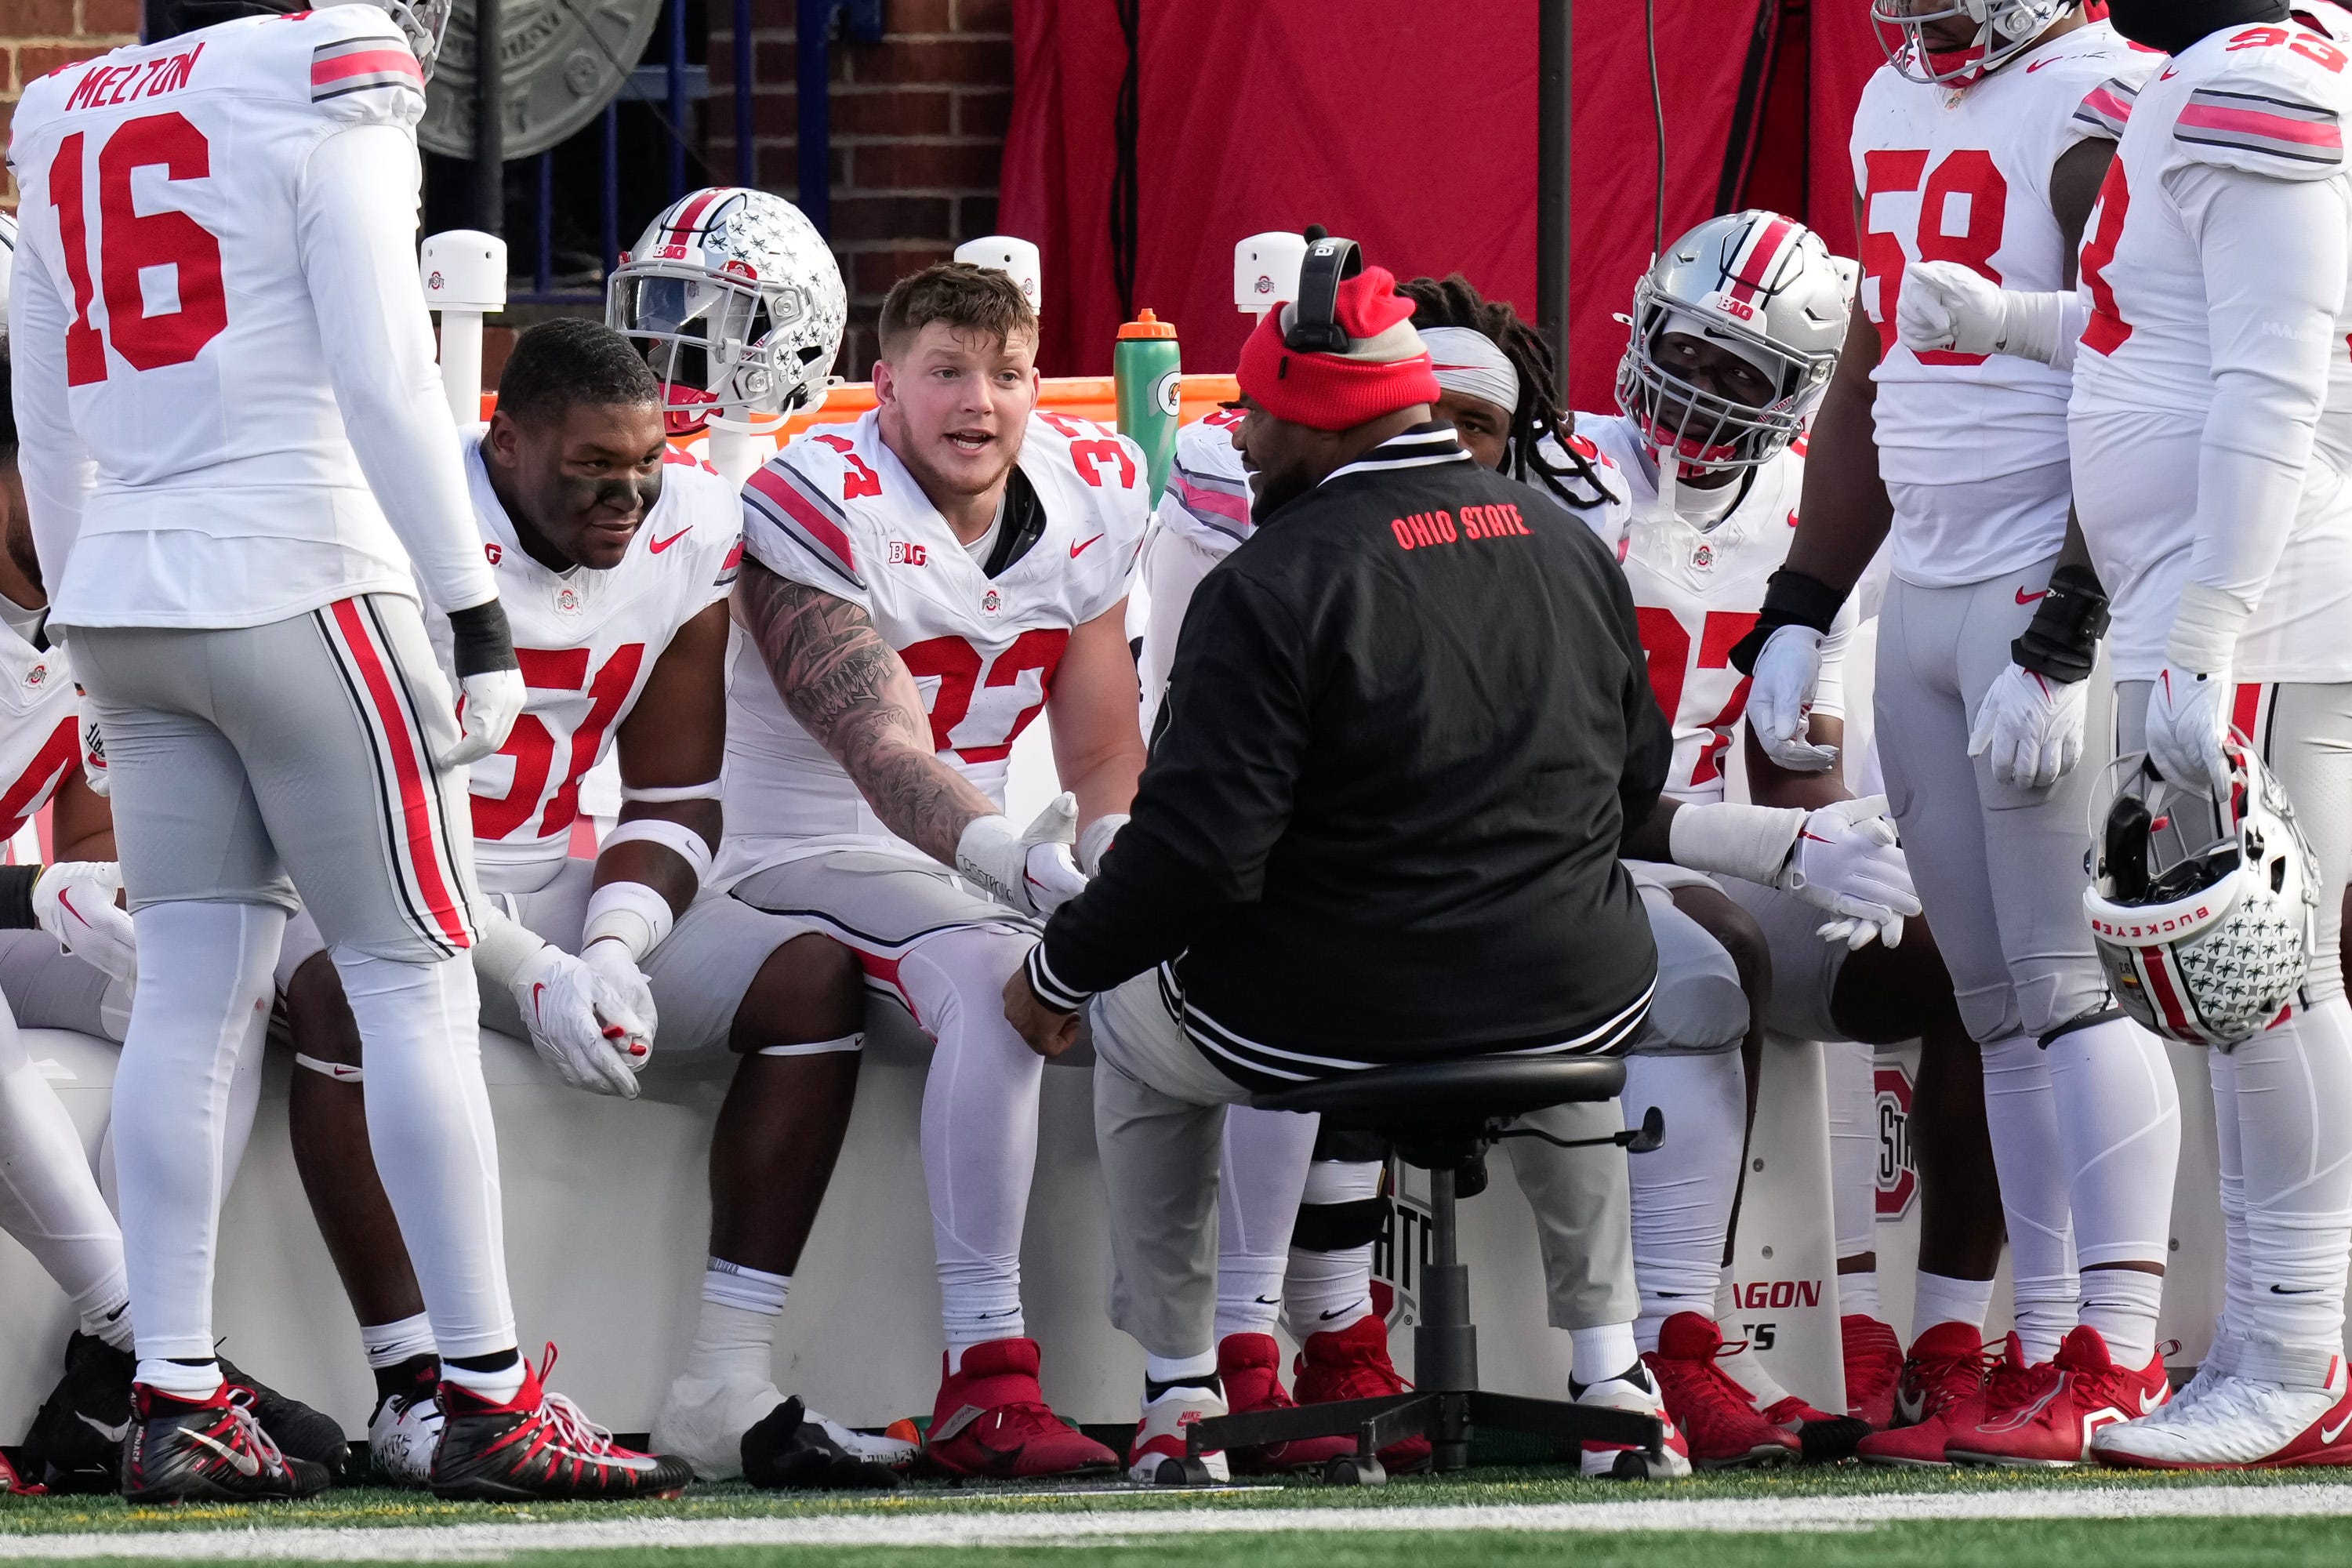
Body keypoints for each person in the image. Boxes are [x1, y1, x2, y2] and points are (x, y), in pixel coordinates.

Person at [1002, 247, 1917, 1483]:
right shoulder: (1567, 543)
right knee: (1564, 1008)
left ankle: (1180, 1388)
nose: (1246, 439)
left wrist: (1057, 971)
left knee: (1133, 1012)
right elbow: (1630, 789)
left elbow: (1201, 857)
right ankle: (1612, 1375)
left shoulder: (1272, 578)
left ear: (1323, 416)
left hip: (1331, 1014)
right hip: (1569, 996)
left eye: (1262, 413)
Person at [6, 0, 683, 1501]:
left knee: (195, 992)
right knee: (417, 981)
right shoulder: (328, 65)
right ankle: (491, 1394)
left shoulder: (61, 106)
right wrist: (473, 614)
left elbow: (45, 405)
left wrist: (78, 596)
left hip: (127, 588)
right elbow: (384, 374)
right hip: (297, 572)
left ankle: (175, 1397)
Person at [272, 320, 904, 1489]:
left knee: (810, 978)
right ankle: (417, 1389)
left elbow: (678, 791)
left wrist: (614, 944)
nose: (626, 497)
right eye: (590, 471)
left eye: (643, 467)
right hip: (359, 877)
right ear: (505, 444)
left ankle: (726, 1379)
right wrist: (533, 973)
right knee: (338, 991)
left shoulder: (693, 523)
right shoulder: (393, 525)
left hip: (542, 882)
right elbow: (370, 826)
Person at [1736, 0, 2180, 1465]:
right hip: (1925, 586)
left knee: (2073, 989)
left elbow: (2151, 375)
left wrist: (2070, 626)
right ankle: (2038, 1338)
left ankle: (2118, 1352)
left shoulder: (2109, 97)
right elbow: (1874, 366)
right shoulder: (1889, 101)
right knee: (1991, 1005)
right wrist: (1802, 598)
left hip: (2049, 587)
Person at [1917, 0, 2352, 1467]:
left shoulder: (2261, 78)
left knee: (2263, 974)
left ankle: (2295, 1357)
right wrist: (2001, 321)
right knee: (2245, 989)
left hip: (2265, 591)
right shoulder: (2216, 79)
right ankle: (2273, 1347)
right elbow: (2161, 333)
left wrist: (2210, 623)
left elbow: (2275, 379)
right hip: (2227, 587)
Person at [1557, 214, 2004, 1464]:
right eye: (1685, 352)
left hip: (1721, 845)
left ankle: (1950, 1345)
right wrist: (1786, 851)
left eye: (1737, 373)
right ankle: (1681, 1352)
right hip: (1579, 856)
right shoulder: (1556, 476)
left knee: (1972, 964)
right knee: (1724, 937)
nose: (1697, 391)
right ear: (1640, 324)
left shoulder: (1818, 517)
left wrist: (1852, 841)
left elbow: (1786, 770)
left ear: (1797, 395)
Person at [719, 260, 1149, 1479]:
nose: (981, 401)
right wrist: (1018, 868)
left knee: (1205, 950)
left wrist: (1117, 863)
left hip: (966, 858)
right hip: (789, 849)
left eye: (1007, 374)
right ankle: (986, 1374)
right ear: (884, 386)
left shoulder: (1091, 490)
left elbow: (1109, 748)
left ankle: (1221, 1360)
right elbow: (882, 748)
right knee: (998, 971)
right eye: (948, 372)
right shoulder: (818, 495)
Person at [0, 329, 345, 1493]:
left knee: (203, 968)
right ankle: (146, 1342)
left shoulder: (97, 608)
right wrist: (34, 889)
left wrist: (110, 897)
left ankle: (112, 1391)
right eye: (72, 472)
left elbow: (95, 837)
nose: (95, 503)